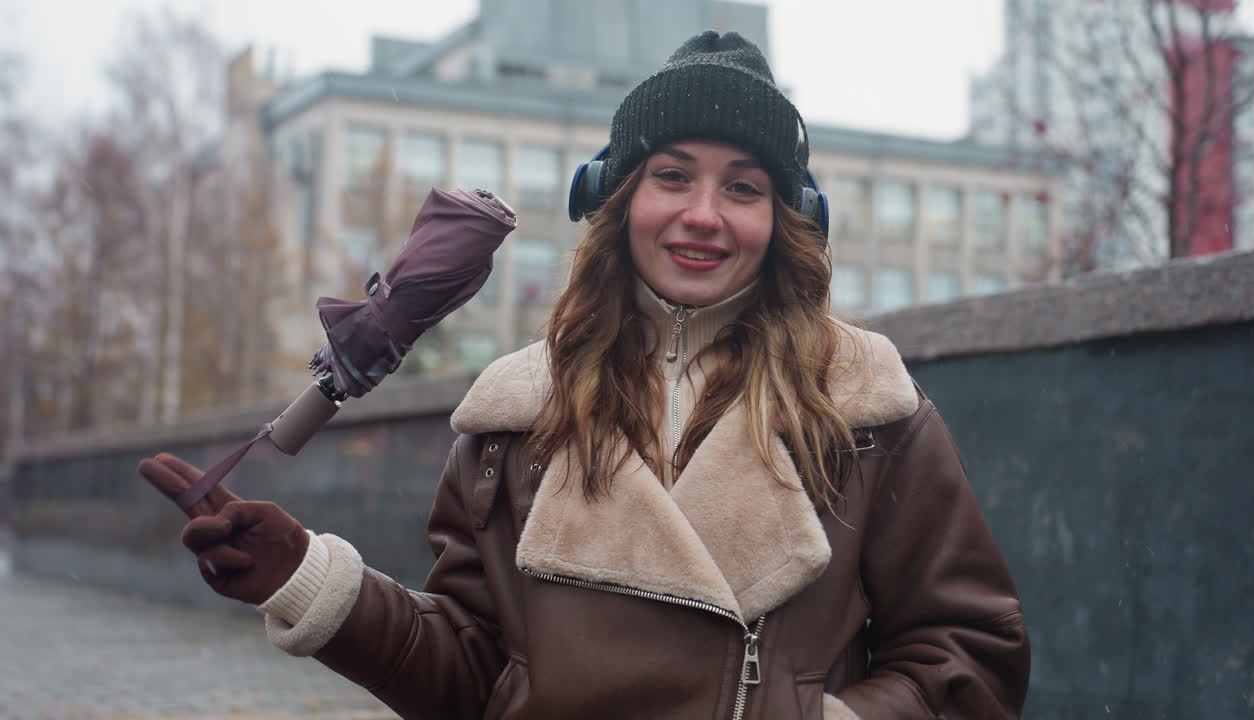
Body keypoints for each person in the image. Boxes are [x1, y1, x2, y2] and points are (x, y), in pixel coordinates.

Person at [139, 30, 1030, 720]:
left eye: (744, 187)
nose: (702, 216)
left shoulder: (870, 410)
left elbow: (969, 650)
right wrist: (309, 580)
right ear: (614, 197)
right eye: (672, 175)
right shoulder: (512, 419)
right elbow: (477, 676)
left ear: (791, 217)